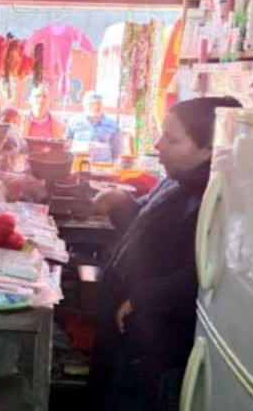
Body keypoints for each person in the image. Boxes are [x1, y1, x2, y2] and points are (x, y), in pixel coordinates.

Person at [89, 96, 242, 411]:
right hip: (129, 335)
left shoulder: (217, 201)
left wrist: (144, 298)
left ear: (208, 150)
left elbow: (205, 273)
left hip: (157, 347)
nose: (158, 145)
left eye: (172, 139)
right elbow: (148, 233)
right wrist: (120, 204)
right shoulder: (176, 182)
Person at [67, 91, 123, 163]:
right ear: (84, 105)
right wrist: (83, 146)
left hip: (103, 168)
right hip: (78, 166)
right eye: (91, 104)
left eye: (99, 103)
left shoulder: (113, 125)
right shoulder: (73, 122)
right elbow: (66, 145)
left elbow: (118, 151)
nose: (96, 107)